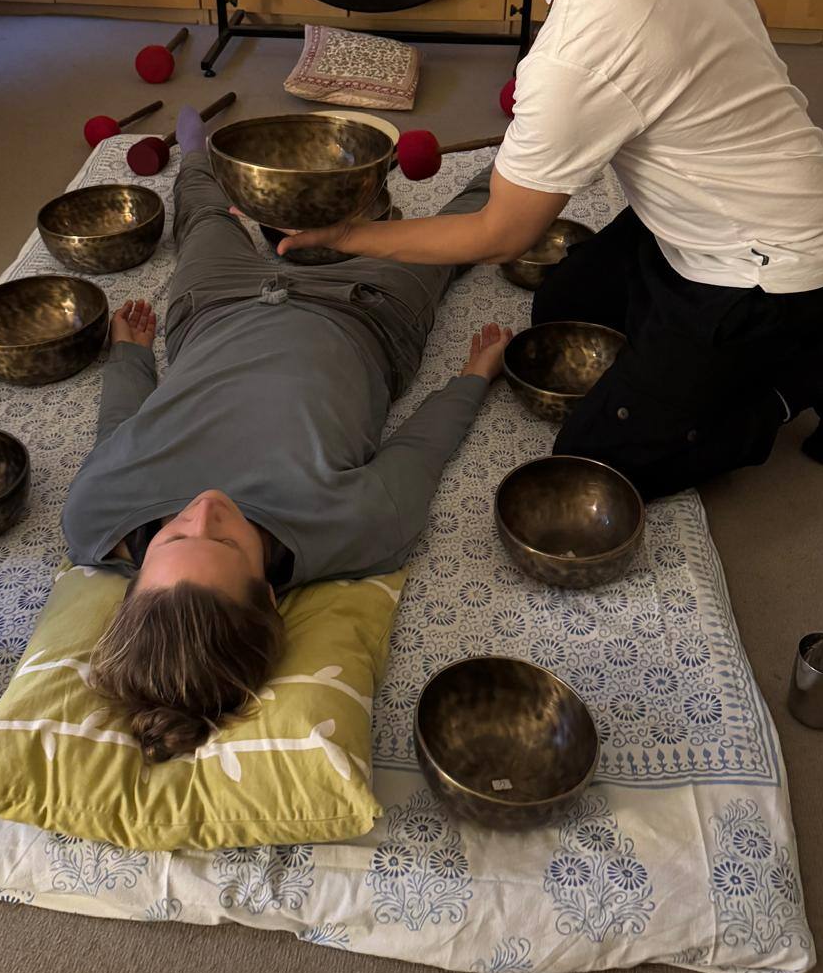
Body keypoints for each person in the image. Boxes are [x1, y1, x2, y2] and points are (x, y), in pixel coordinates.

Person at [280, 0, 823, 503]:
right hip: (738, 215)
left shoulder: (576, 59)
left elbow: (501, 233)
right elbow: (734, 33)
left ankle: (816, 374)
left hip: (770, 271)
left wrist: (349, 239)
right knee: (560, 309)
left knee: (593, 466)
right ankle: (709, 358)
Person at [60, 106, 512, 764]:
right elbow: (421, 450)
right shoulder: (357, 530)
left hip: (213, 309)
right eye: (225, 540)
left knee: (207, 220)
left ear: (135, 577)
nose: (206, 508)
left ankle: (194, 147)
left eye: (176, 536)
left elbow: (121, 433)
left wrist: (130, 357)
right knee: (457, 241)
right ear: (269, 593)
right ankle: (522, 146)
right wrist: (471, 378)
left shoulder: (94, 517)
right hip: (365, 312)